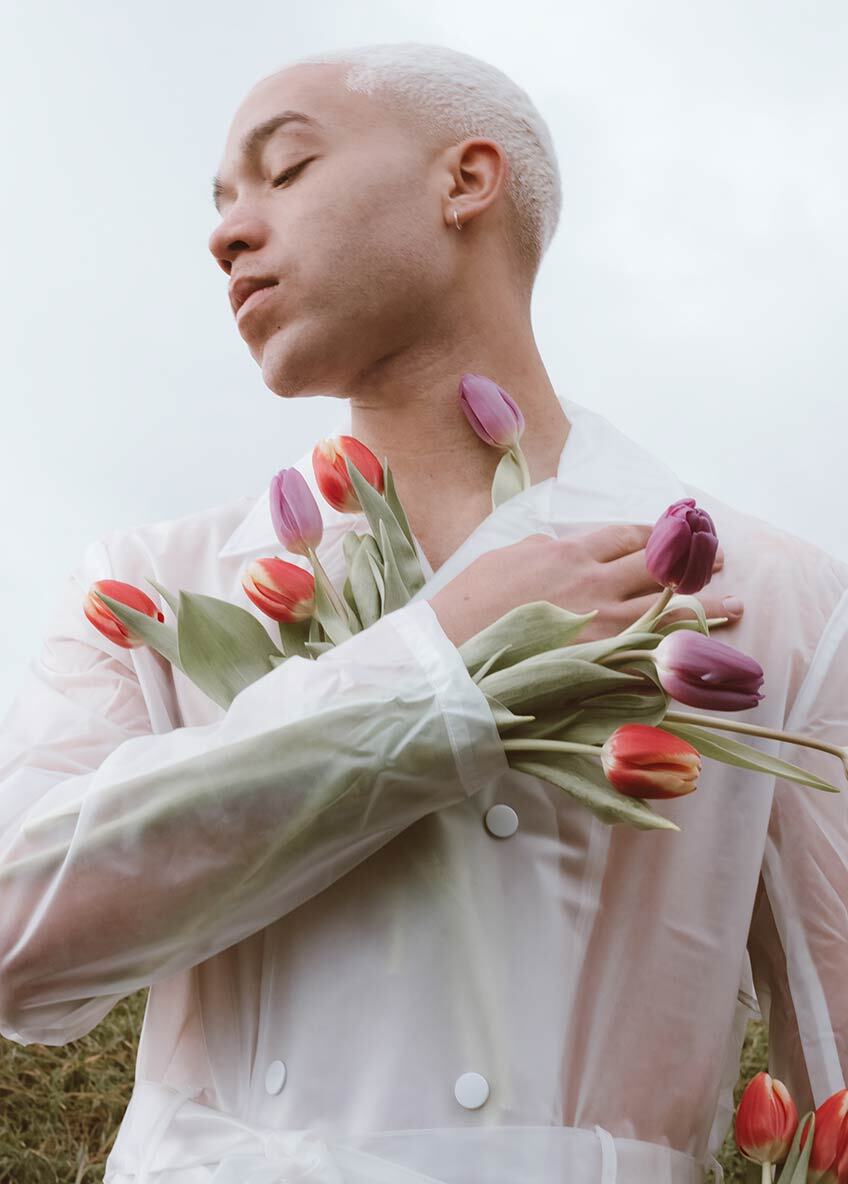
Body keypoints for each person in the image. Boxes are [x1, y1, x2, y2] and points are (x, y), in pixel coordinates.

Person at [0, 41, 845, 1184]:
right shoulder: (156, 586)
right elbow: (18, 944)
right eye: (219, 202)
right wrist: (435, 661)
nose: (226, 234)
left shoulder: (769, 595)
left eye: (284, 169)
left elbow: (833, 1062)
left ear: (464, 180)